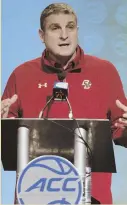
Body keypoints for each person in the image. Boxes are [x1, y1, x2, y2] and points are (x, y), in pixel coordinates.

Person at [1, 3, 127, 204]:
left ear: (77, 30)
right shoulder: (21, 75)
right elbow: (6, 137)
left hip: (92, 197)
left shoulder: (105, 71)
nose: (64, 35)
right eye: (55, 28)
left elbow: (121, 132)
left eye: (70, 27)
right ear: (41, 35)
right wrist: (2, 124)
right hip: (34, 195)